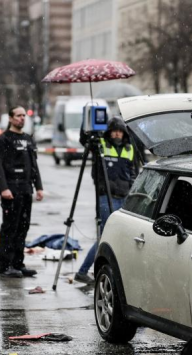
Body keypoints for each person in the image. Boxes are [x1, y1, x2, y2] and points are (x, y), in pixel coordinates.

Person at [75, 116, 135, 284]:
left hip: (124, 198)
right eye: (114, 131)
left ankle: (110, 271)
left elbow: (132, 172)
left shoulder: (129, 149)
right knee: (105, 236)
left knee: (121, 237)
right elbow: (83, 138)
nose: (117, 134)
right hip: (104, 197)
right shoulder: (100, 145)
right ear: (109, 132)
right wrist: (88, 116)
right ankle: (83, 271)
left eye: (120, 131)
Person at [0, 106, 44, 278]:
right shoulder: (3, 139)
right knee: (10, 228)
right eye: (18, 115)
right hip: (11, 190)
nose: (22, 118)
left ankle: (18, 263)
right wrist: (4, 187)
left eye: (24, 115)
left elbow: (34, 165)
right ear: (10, 118)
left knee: (23, 227)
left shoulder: (29, 139)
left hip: (25, 189)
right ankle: (5, 266)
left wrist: (39, 187)